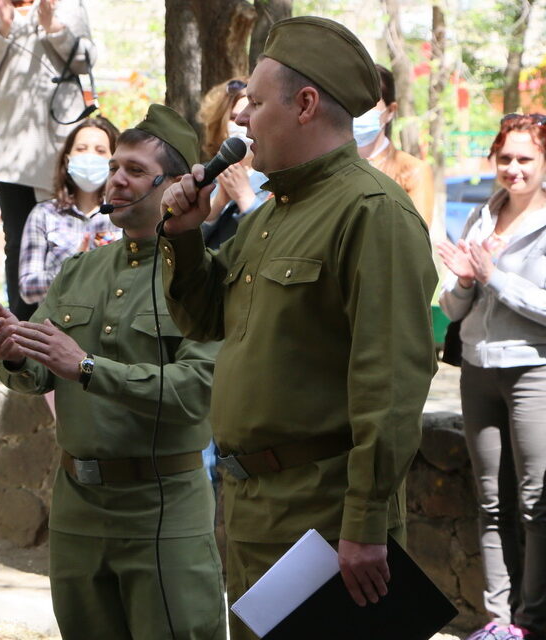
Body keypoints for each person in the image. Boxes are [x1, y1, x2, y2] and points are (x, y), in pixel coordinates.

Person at [158, 17, 438, 639]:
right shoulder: (267, 217)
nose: (240, 119)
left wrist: (364, 524)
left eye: (254, 103)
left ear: (305, 104)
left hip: (325, 520)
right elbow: (207, 320)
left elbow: (390, 384)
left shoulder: (373, 213)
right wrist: (183, 236)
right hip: (257, 509)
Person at [0, 105, 225, 639]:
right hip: (77, 507)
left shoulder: (204, 277)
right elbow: (36, 373)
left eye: (134, 170)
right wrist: (15, 352)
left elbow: (199, 391)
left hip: (163, 508)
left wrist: (88, 367)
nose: (115, 179)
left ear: (177, 185)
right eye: (115, 166)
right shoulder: (81, 269)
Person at [437, 113, 546, 640]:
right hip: (480, 369)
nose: (513, 168)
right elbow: (456, 311)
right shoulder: (483, 216)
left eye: (525, 159)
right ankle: (498, 620)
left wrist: (493, 276)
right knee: (489, 501)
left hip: (538, 371)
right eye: (505, 158)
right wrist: (462, 282)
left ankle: (531, 622)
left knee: (535, 502)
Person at [0, 0, 94, 320]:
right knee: (19, 242)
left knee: (70, 234)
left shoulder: (66, 5)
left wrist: (54, 27)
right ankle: (21, 332)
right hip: (8, 153)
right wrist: (3, 29)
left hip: (62, 145)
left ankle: (74, 320)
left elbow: (87, 60)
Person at [18, 116, 121, 304]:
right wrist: (72, 267)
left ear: (113, 161)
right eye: (81, 149)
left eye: (100, 151)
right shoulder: (44, 214)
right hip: (56, 325)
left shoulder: (123, 215)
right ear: (68, 158)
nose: (90, 156)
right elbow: (28, 289)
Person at [357, 64, 436, 227]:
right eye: (353, 103)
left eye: (369, 104)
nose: (358, 112)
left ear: (391, 110)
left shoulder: (412, 171)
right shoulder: (328, 166)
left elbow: (415, 241)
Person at [197, 77, 269, 251]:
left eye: (251, 115)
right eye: (233, 117)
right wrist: (217, 205)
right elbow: (186, 246)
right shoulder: (206, 173)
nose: (241, 123)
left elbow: (277, 239)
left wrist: (245, 198)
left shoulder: (275, 174)